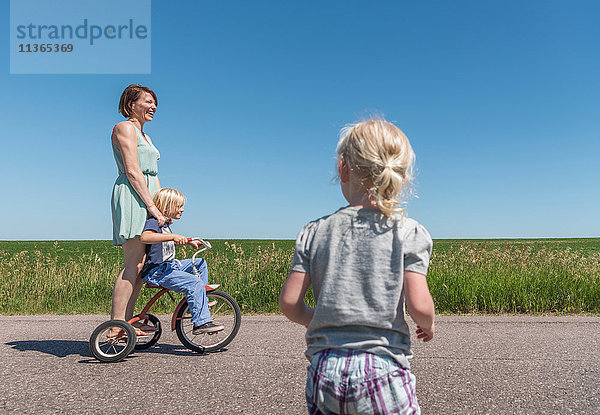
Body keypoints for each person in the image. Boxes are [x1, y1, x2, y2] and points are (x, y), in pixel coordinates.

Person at [279, 118, 435, 415]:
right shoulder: (409, 231)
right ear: (402, 176)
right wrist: (427, 324)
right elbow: (419, 305)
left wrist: (322, 318)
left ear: (342, 168)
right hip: (383, 369)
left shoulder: (314, 231)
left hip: (325, 370)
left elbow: (290, 303)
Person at [110, 84, 167, 335]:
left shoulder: (147, 137)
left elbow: (152, 174)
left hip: (149, 196)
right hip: (133, 196)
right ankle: (116, 325)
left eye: (155, 102)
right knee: (132, 262)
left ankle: (129, 322)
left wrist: (163, 205)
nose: (153, 106)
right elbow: (133, 171)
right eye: (147, 101)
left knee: (143, 266)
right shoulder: (124, 128)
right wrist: (152, 206)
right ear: (131, 104)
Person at [140, 188, 224, 334]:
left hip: (170, 265)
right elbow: (145, 237)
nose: (182, 209)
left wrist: (187, 241)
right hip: (157, 271)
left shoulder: (165, 224)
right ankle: (201, 323)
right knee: (194, 282)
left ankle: (200, 300)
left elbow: (165, 243)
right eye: (178, 206)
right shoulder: (155, 222)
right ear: (166, 207)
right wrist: (173, 237)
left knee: (200, 263)